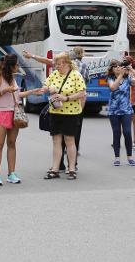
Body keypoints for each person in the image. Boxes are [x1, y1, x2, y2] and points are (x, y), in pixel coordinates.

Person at [0, 53, 40, 186]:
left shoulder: (13, 77)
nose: (18, 66)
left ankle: (12, 173)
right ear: (11, 66)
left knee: (12, 143)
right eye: (17, 64)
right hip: (1, 113)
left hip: (14, 114)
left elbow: (17, 94)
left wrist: (32, 92)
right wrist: (4, 91)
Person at [39, 52, 86, 180]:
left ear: (66, 63)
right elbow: (46, 84)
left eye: (59, 64)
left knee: (69, 140)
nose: (56, 66)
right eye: (56, 64)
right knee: (56, 141)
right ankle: (55, 169)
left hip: (71, 113)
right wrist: (45, 89)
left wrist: (66, 98)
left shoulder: (76, 75)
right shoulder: (54, 74)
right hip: (55, 112)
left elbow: (82, 93)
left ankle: (71, 169)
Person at [107, 59, 135, 166]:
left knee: (127, 132)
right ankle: (117, 157)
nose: (118, 68)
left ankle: (129, 156)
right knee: (116, 132)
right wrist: (120, 75)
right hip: (113, 110)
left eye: (120, 66)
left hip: (126, 109)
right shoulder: (110, 78)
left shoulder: (128, 78)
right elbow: (113, 87)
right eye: (116, 67)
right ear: (112, 69)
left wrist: (132, 70)